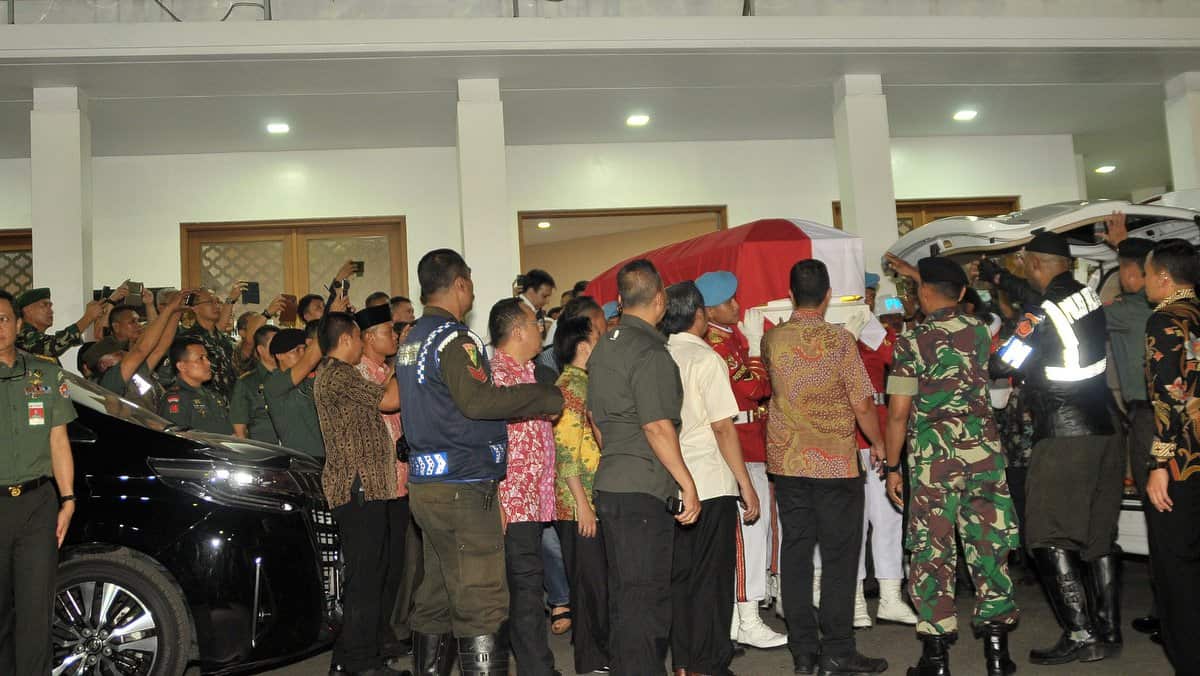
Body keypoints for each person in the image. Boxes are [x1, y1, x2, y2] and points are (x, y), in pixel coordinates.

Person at [396, 249, 563, 676]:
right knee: (483, 601)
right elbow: (477, 401)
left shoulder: (412, 339)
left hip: (427, 486)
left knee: (436, 596)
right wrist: (544, 396)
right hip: (463, 486)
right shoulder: (456, 338)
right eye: (469, 282)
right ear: (460, 284)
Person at [982, 231, 1123, 665]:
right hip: (1106, 428)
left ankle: (1079, 634)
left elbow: (1002, 363)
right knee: (1098, 538)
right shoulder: (1088, 296)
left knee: (1046, 535)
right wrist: (1001, 278)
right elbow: (1038, 298)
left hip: (1065, 435)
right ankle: (1108, 631)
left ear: (1036, 263)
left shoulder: (1038, 313)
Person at [882, 257, 1020, 676]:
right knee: (989, 548)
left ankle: (936, 659)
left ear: (922, 294)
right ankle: (998, 656)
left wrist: (892, 466)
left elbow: (898, 412)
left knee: (933, 551)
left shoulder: (910, 340)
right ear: (961, 294)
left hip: (933, 462)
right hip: (984, 457)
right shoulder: (982, 331)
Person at [762, 259, 887, 676]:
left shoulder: (773, 340)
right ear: (829, 295)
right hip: (835, 464)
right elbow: (862, 402)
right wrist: (880, 443)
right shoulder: (840, 341)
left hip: (789, 462)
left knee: (795, 554)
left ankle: (803, 653)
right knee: (839, 558)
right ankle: (837, 649)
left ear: (792, 294)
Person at [587, 259, 700, 675]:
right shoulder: (650, 350)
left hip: (613, 482)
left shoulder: (604, 347)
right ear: (660, 300)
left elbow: (596, 421)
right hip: (643, 489)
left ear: (619, 300)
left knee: (626, 597)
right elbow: (656, 426)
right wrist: (686, 483)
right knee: (647, 602)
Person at [662, 281, 762, 676]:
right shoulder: (706, 359)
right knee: (712, 581)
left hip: (673, 480)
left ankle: (684, 662)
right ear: (699, 315)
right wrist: (746, 482)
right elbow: (724, 427)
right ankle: (710, 663)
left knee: (681, 579)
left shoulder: (661, 353)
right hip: (709, 480)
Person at [694, 270, 788, 650]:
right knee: (748, 536)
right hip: (739, 446)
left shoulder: (727, 338)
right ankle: (747, 618)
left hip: (753, 442)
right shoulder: (717, 343)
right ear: (711, 307)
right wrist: (753, 349)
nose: (738, 306)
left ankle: (739, 617)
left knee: (756, 534)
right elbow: (756, 388)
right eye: (730, 301)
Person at [313, 311, 407, 676]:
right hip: (357, 487)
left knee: (370, 575)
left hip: (367, 486)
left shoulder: (339, 375)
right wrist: (404, 362)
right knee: (365, 579)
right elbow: (389, 400)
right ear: (350, 339)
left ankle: (351, 657)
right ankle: (360, 663)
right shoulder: (337, 374)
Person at [0, 289, 77, 676]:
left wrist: (68, 498)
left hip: (37, 505)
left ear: (16, 323)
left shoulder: (45, 373)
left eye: (2, 319)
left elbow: (58, 441)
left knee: (35, 609)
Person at [488, 297, 563, 676]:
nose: (541, 330)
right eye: (536, 324)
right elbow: (485, 441)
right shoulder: (494, 376)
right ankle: (538, 669)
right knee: (525, 589)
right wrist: (496, 496)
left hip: (532, 500)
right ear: (517, 330)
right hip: (511, 500)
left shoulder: (530, 371)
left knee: (524, 588)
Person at [1098, 213, 1162, 640]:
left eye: (1124, 271)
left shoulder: (1131, 310)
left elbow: (1085, 314)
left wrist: (1123, 247)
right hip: (1162, 414)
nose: (1120, 279)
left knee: (1160, 511)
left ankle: (1169, 609)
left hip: (1149, 417)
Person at [1141, 239, 1200, 675]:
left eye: (1146, 274)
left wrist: (1159, 463)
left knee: (1177, 567)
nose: (1143, 283)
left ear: (1164, 277)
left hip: (1185, 460)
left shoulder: (1164, 319)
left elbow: (1168, 397)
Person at [552, 315, 609, 675]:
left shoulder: (583, 382)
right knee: (590, 588)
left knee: (594, 583)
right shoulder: (572, 386)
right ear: (584, 346)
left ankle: (596, 656)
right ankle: (591, 663)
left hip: (585, 500)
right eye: (598, 337)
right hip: (579, 502)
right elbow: (565, 449)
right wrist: (583, 506)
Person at [88, 290, 187, 411]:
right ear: (104, 363)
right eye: (118, 353)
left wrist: (177, 312)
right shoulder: (111, 379)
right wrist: (169, 308)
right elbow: (141, 350)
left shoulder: (137, 372)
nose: (125, 353)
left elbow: (161, 346)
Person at [264, 327, 325, 458]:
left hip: (327, 458)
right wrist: (330, 317)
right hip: (302, 460)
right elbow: (309, 361)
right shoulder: (274, 382)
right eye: (296, 350)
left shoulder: (310, 379)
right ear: (279, 355)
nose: (303, 354)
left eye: (305, 349)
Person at [15, 286, 111, 363]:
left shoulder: (37, 337)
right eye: (44, 305)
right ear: (27, 310)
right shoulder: (22, 335)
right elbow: (53, 345)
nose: (51, 311)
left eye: (50, 306)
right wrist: (88, 317)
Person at [160, 337, 234, 434]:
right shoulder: (177, 400)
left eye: (207, 358)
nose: (208, 363)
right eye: (200, 358)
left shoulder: (214, 396)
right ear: (182, 366)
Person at [178, 287, 239, 400]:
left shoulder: (223, 339)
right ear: (195, 308)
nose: (216, 305)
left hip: (230, 404)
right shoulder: (188, 340)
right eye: (210, 302)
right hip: (203, 403)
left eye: (217, 302)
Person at [230, 324, 280, 443]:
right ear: (261, 350)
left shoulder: (292, 376)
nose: (279, 348)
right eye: (274, 344)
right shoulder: (247, 383)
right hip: (265, 450)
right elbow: (239, 431)